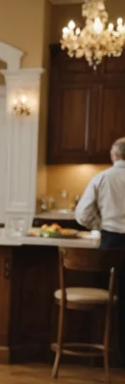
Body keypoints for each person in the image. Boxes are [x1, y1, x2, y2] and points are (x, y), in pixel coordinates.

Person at [75, 136, 125, 360]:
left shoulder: (102, 177)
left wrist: (101, 225)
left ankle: (105, 353)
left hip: (111, 243)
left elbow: (82, 215)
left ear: (113, 156)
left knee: (108, 296)